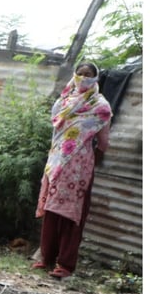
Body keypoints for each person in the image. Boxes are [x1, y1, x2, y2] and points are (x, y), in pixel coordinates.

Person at [34, 62, 112, 279]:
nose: (83, 78)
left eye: (88, 75)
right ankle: (46, 258)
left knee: (72, 214)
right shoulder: (64, 102)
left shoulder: (100, 106)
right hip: (56, 162)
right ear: (74, 75)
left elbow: (104, 143)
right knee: (51, 210)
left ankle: (66, 264)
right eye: (80, 74)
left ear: (96, 79)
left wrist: (86, 157)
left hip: (79, 166)